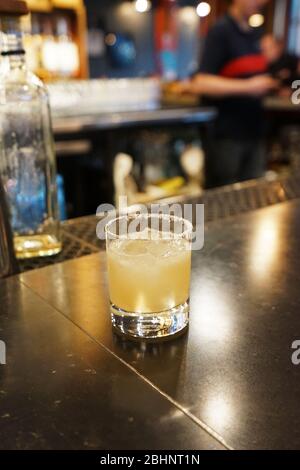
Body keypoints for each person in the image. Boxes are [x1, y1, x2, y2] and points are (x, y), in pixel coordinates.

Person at [173, 0, 279, 188]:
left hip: (255, 131)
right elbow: (202, 82)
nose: (261, 2)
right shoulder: (221, 31)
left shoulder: (256, 34)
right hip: (227, 134)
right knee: (224, 195)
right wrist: (249, 87)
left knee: (253, 195)